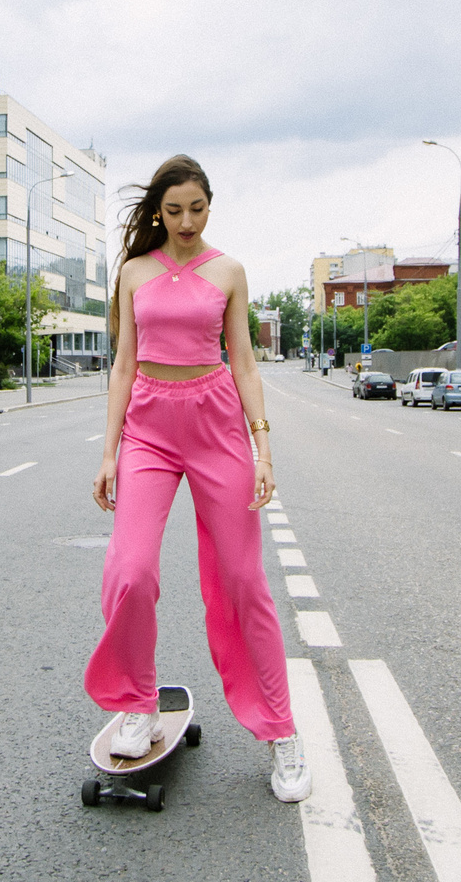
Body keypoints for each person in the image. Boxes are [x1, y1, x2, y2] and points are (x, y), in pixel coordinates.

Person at [89, 155, 307, 804]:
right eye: (174, 210)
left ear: (210, 206)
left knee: (243, 581)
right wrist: (109, 452)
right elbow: (124, 365)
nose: (186, 222)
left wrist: (263, 447)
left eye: (197, 209)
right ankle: (136, 704)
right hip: (150, 427)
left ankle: (282, 731)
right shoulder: (132, 272)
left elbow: (243, 360)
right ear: (158, 210)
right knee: (130, 570)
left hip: (216, 425)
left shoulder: (229, 271)